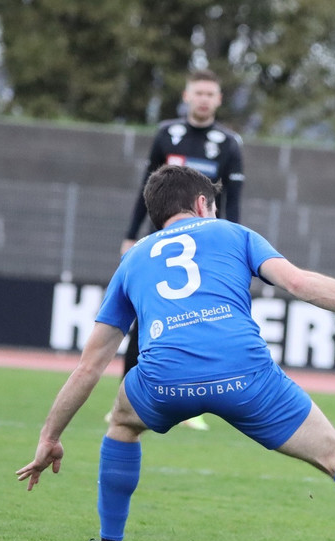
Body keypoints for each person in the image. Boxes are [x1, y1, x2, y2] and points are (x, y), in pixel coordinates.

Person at [17, 164, 335, 541]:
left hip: (164, 381)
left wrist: (50, 437)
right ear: (202, 204)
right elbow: (299, 283)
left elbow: (89, 366)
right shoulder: (233, 233)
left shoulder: (133, 259)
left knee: (121, 423)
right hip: (244, 374)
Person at [119, 69, 245, 431]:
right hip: (158, 245)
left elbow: (233, 201)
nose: (204, 99)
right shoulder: (167, 134)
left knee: (196, 319)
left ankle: (191, 403)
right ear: (187, 96)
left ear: (218, 100)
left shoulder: (228, 143)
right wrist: (131, 235)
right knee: (142, 316)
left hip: (204, 249)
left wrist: (232, 245)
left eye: (210, 94)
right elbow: (146, 190)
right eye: (198, 92)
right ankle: (125, 401)